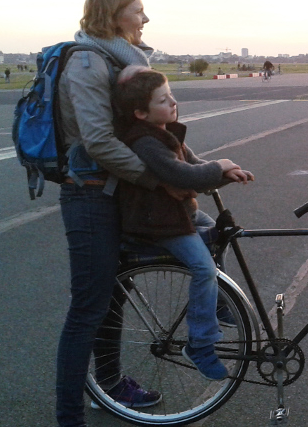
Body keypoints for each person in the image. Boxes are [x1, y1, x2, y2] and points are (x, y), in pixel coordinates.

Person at [55, 0, 166, 426]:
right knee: (88, 307)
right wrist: (156, 179)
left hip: (116, 190)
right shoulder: (87, 62)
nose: (145, 18)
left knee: (115, 295)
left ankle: (112, 385)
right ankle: (69, 417)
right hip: (88, 194)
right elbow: (98, 140)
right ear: (112, 14)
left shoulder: (119, 59)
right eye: (137, 10)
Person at [113, 69, 254, 381]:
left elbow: (196, 166)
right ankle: (200, 344)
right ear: (141, 113)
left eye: (171, 96)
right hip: (159, 222)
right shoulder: (145, 141)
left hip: (180, 214)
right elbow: (183, 175)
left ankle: (216, 303)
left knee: (218, 236)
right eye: (163, 100)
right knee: (204, 268)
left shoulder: (167, 133)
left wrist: (226, 173)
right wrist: (221, 165)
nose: (173, 103)